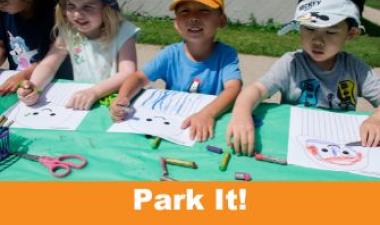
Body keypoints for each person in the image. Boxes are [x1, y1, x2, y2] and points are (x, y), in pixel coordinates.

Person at [226, 0, 380, 156]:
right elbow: (257, 90)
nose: (318, 41)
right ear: (299, 27)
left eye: (331, 32)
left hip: (340, 147)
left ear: (350, 34)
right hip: (295, 144)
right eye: (310, 28)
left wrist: (376, 120)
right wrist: (241, 115)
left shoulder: (355, 68)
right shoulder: (291, 63)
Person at [110, 0, 242, 142]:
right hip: (174, 125)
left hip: (204, 128)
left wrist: (207, 114)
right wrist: (123, 97)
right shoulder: (170, 54)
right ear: (176, 23)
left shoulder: (226, 55)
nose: (193, 18)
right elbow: (139, 77)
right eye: (185, 11)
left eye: (204, 11)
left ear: (221, 20)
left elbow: (233, 88)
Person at [17, 0, 139, 110]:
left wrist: (95, 92)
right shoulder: (69, 30)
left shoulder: (123, 31)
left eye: (87, 6)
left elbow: (127, 73)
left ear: (106, 7)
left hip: (114, 100)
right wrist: (35, 86)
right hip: (81, 99)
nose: (77, 15)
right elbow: (49, 64)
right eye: (71, 5)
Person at [0, 0, 71, 95]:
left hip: (53, 84)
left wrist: (25, 75)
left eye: (3, 1)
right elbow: (1, 46)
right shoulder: (4, 13)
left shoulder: (54, 12)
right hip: (15, 80)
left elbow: (55, 58)